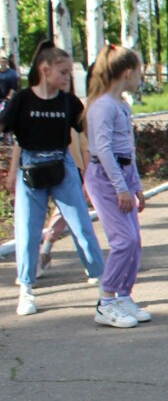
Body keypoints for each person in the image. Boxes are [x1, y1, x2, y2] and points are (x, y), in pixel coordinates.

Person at [0, 41, 106, 316]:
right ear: (45, 70)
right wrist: (12, 172)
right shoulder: (22, 100)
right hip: (31, 171)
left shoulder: (69, 102)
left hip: (63, 166)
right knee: (27, 232)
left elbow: (87, 129)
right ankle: (26, 290)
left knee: (82, 226)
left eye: (69, 73)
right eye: (63, 72)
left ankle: (107, 286)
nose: (67, 78)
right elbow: (10, 134)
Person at [83, 44, 150, 328]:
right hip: (104, 179)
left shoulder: (122, 105)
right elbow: (104, 150)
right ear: (126, 73)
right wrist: (120, 187)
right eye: (139, 73)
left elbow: (128, 151)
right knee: (123, 241)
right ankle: (106, 301)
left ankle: (123, 295)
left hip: (121, 178)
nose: (140, 79)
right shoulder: (102, 106)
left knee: (134, 241)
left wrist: (135, 186)